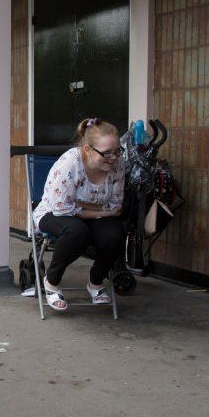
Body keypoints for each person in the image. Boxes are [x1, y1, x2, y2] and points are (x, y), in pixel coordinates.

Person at [27, 117, 126, 310]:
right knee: (77, 233)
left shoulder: (117, 165)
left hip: (92, 214)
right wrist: (98, 210)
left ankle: (96, 283)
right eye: (107, 153)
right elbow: (62, 208)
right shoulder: (71, 163)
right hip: (53, 212)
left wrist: (83, 206)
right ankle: (51, 281)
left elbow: (115, 204)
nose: (113, 158)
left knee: (114, 235)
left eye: (117, 151)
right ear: (88, 150)